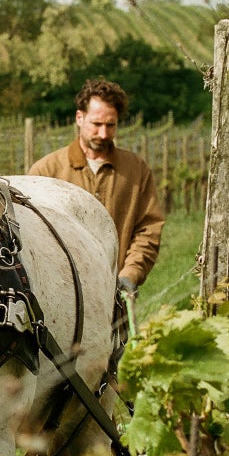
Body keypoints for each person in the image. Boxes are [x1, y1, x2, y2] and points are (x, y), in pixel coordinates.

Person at [25, 78, 164, 295]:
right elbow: (29, 234)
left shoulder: (136, 170)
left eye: (111, 125)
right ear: (79, 118)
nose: (104, 134)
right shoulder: (46, 171)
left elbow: (148, 229)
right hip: (60, 297)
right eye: (97, 124)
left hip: (115, 296)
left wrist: (130, 275)